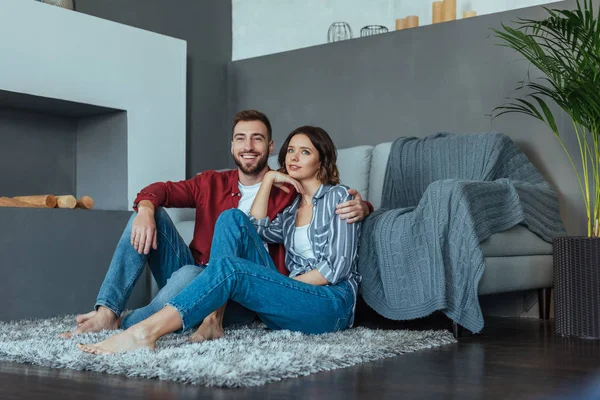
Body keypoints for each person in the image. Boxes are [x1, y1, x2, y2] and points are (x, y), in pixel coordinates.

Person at [60, 111, 371, 342]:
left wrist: (365, 207)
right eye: (241, 138)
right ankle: (108, 312)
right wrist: (144, 207)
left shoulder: (297, 196)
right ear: (232, 145)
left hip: (252, 289)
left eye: (257, 138)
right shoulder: (216, 184)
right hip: (214, 274)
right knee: (220, 223)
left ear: (269, 146)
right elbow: (254, 226)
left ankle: (144, 325)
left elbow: (337, 261)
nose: (249, 145)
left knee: (193, 275)